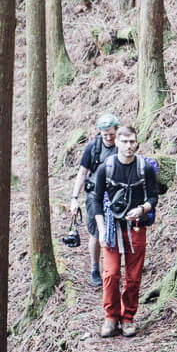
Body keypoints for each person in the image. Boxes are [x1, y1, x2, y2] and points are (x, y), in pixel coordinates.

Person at [88, 124, 159, 338]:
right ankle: (111, 317)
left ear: (136, 143)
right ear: (116, 142)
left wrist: (140, 209)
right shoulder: (106, 168)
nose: (129, 146)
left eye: (132, 142)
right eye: (125, 141)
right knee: (110, 274)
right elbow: (97, 201)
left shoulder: (144, 168)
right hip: (111, 227)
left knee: (133, 275)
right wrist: (101, 230)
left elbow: (153, 198)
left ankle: (128, 317)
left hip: (136, 227)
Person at [67, 113, 118, 288]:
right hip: (93, 196)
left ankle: (112, 271)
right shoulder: (93, 148)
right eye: (106, 135)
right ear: (100, 133)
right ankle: (95, 268)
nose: (109, 138)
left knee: (115, 233)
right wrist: (74, 198)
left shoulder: (121, 146)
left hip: (115, 196)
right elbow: (82, 173)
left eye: (112, 134)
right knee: (96, 233)